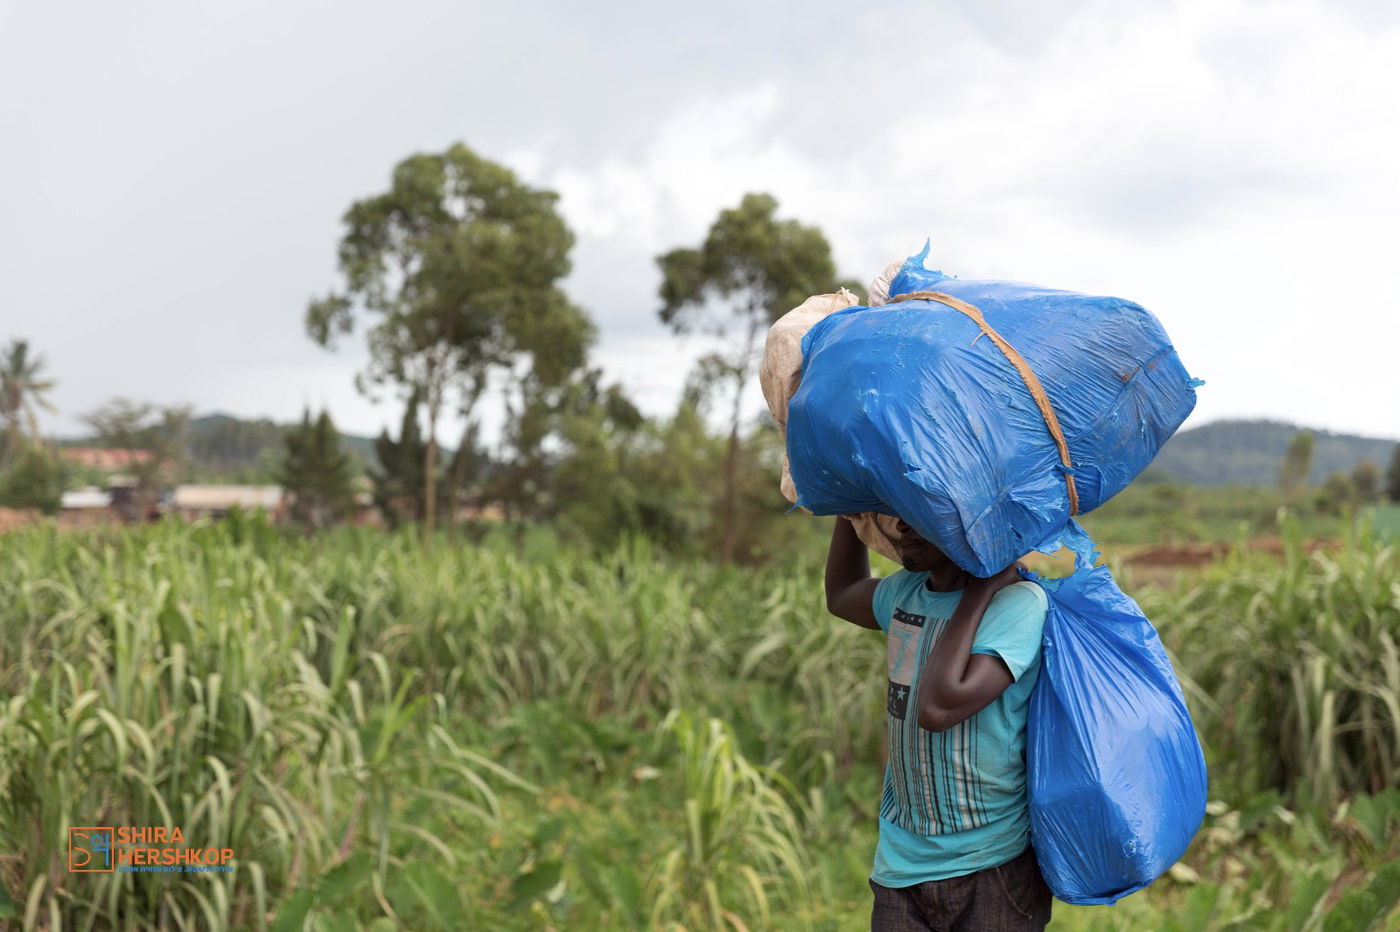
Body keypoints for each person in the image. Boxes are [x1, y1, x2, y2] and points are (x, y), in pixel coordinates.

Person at [825, 515, 1052, 931]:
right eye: (899, 516)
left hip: (990, 866)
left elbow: (939, 708)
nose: (902, 529)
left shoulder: (1017, 604)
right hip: (901, 863)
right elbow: (841, 595)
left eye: (920, 517)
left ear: (974, 527)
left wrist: (981, 589)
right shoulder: (905, 592)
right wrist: (848, 507)